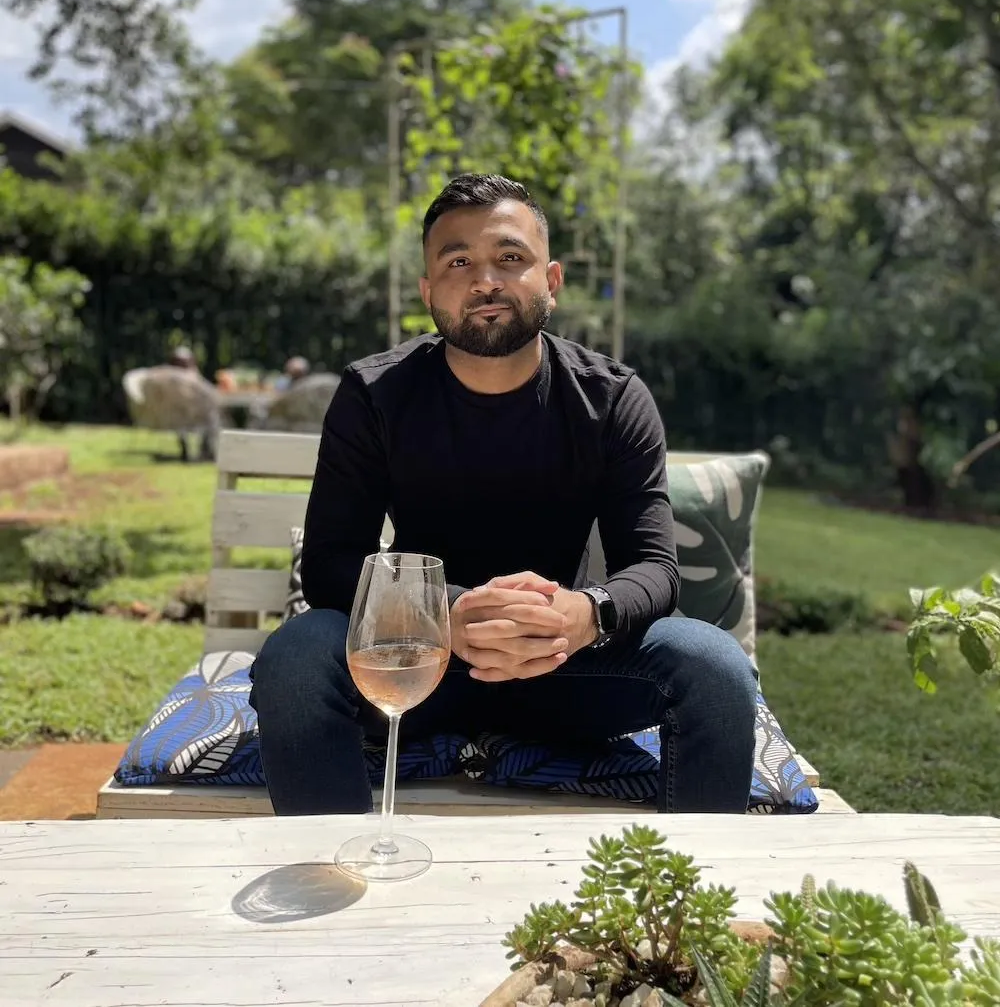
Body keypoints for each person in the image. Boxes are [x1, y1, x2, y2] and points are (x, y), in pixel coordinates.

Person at [249, 173, 758, 815]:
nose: (485, 280)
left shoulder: (612, 398)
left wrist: (584, 615)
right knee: (296, 654)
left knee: (713, 666)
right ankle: (333, 873)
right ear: (429, 291)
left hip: (564, 666)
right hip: (418, 667)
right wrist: (447, 614)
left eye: (509, 258)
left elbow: (654, 570)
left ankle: (696, 901)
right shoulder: (375, 396)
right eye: (458, 261)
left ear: (551, 280)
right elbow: (328, 566)